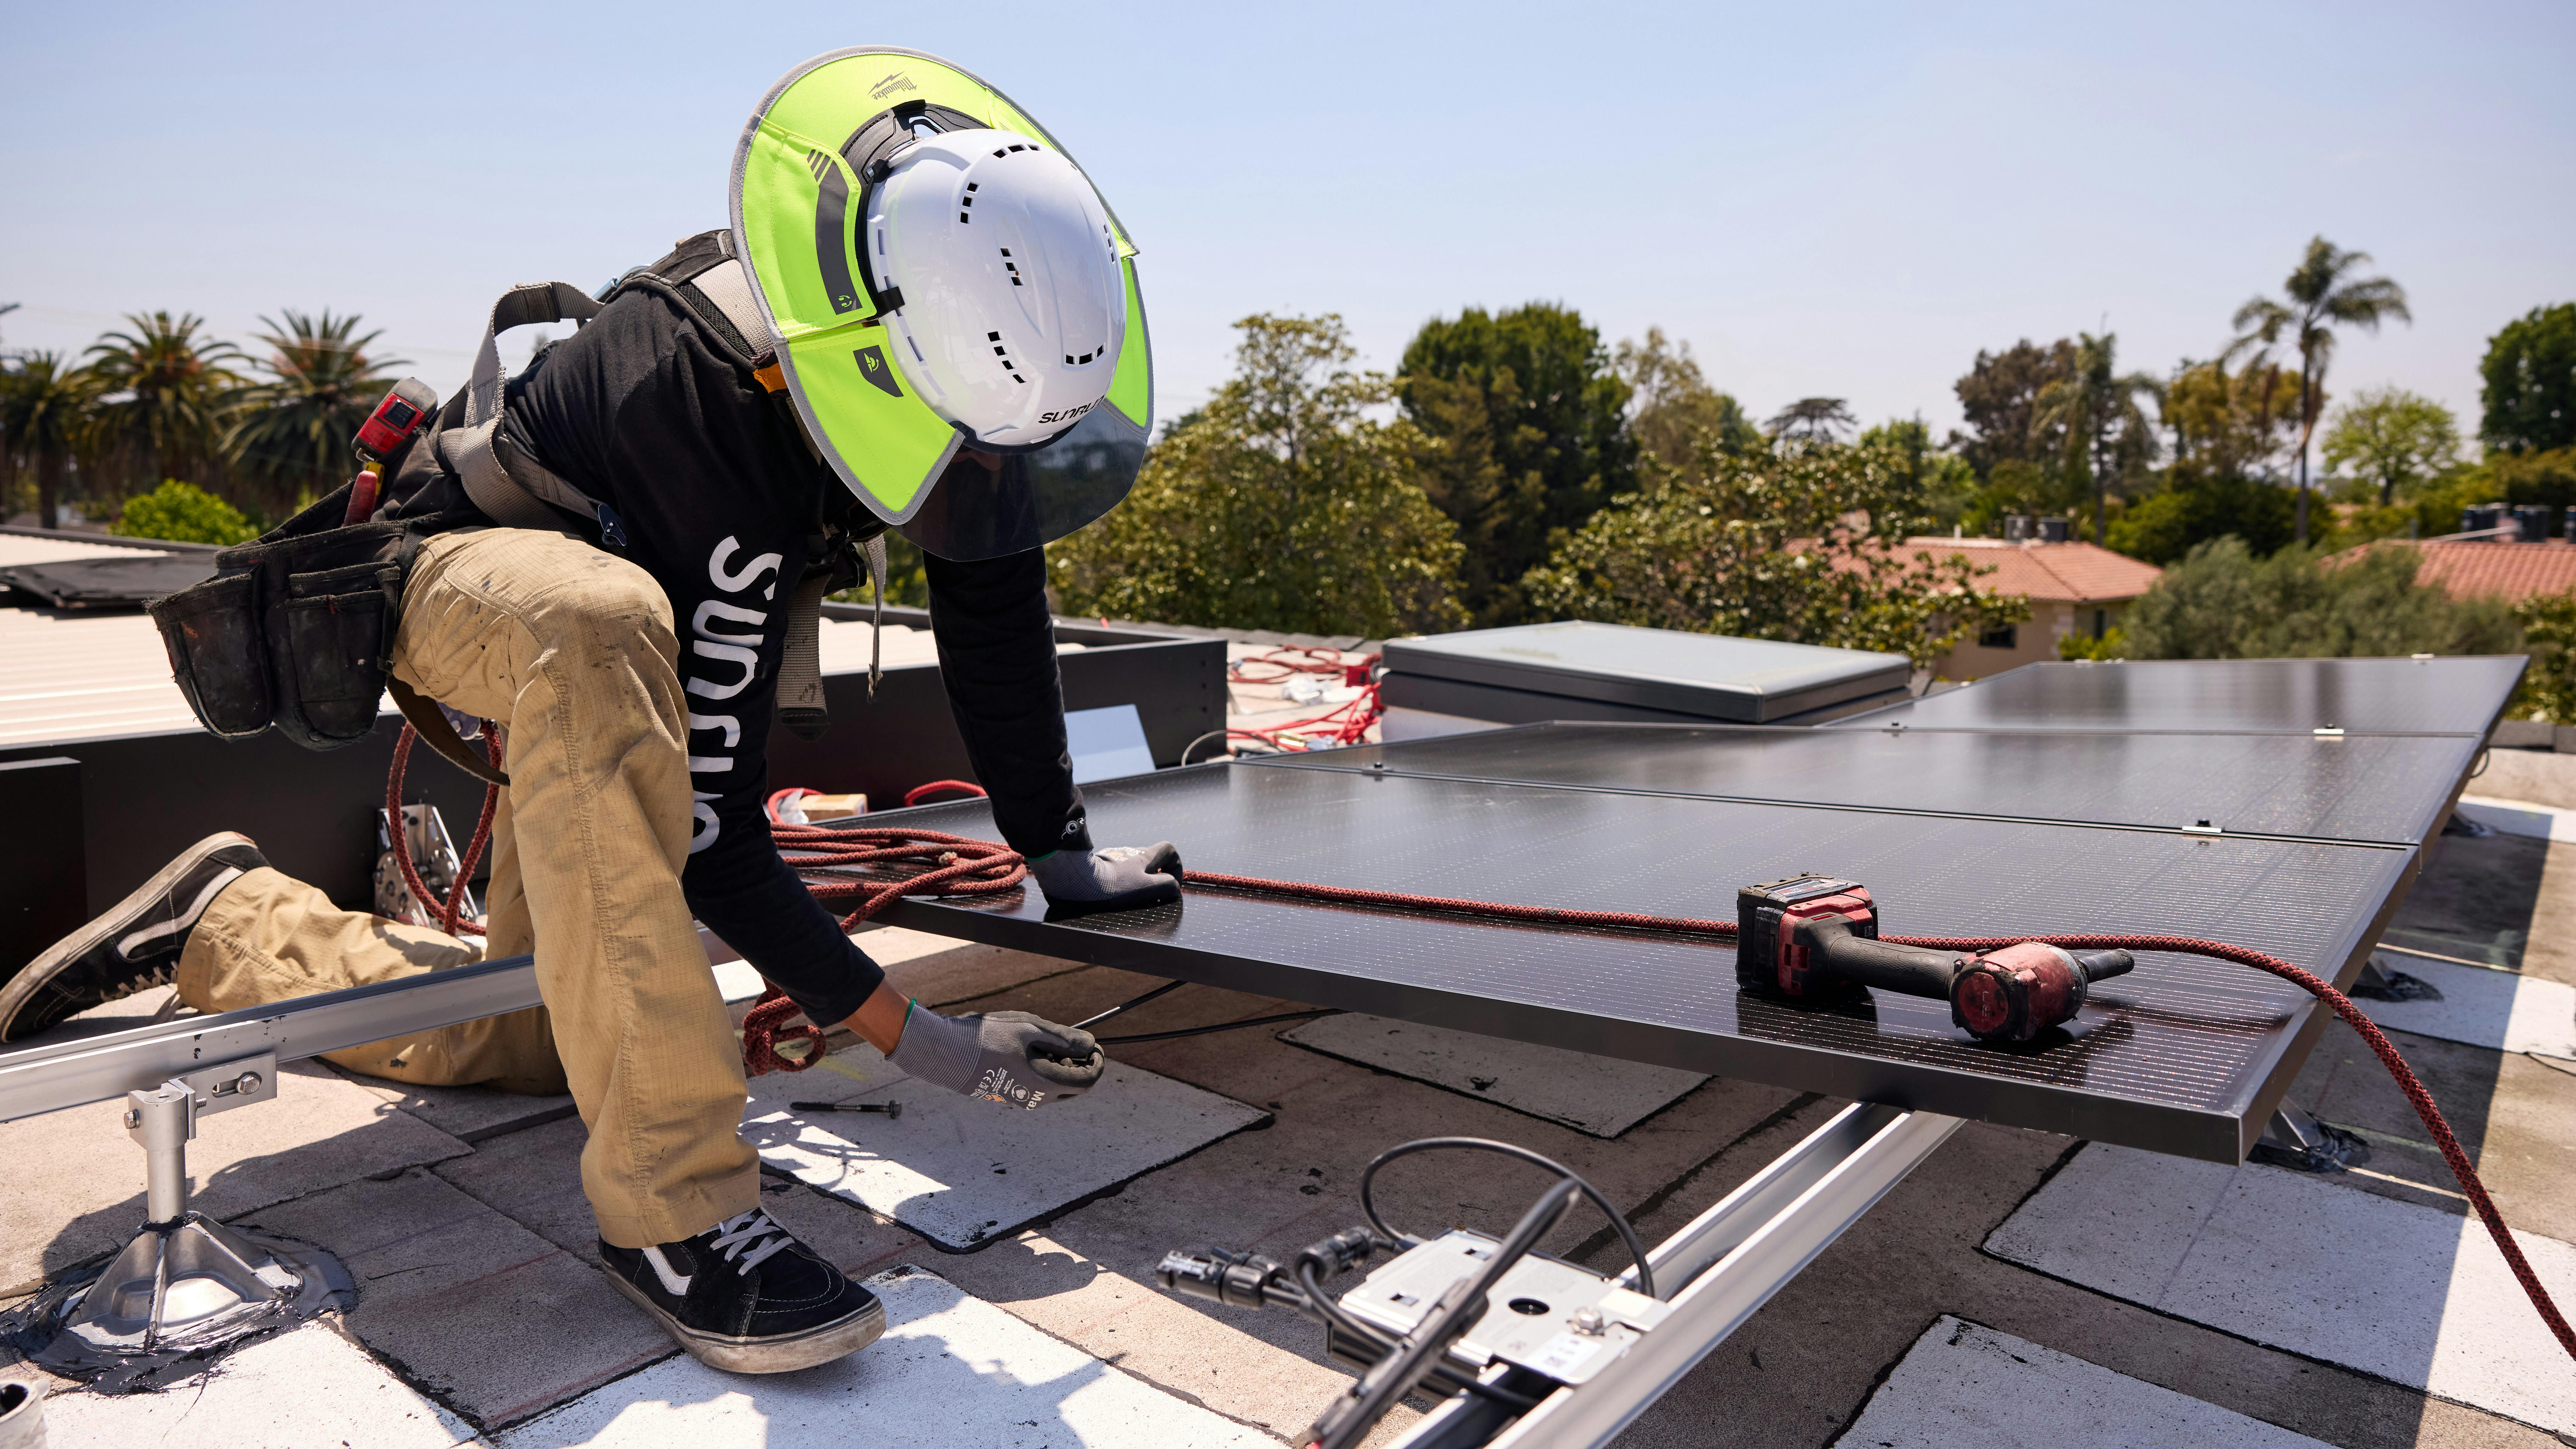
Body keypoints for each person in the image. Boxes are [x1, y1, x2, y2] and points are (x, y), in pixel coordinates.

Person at [0, 50, 1179, 1375]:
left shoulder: (957, 334)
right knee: (603, 625)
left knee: (546, 1036)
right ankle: (679, 1215)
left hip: (598, 632)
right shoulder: (712, 406)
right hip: (466, 591)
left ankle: (234, 919)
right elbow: (714, 838)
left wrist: (1057, 851)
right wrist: (931, 1044)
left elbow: (993, 596)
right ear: (866, 348)